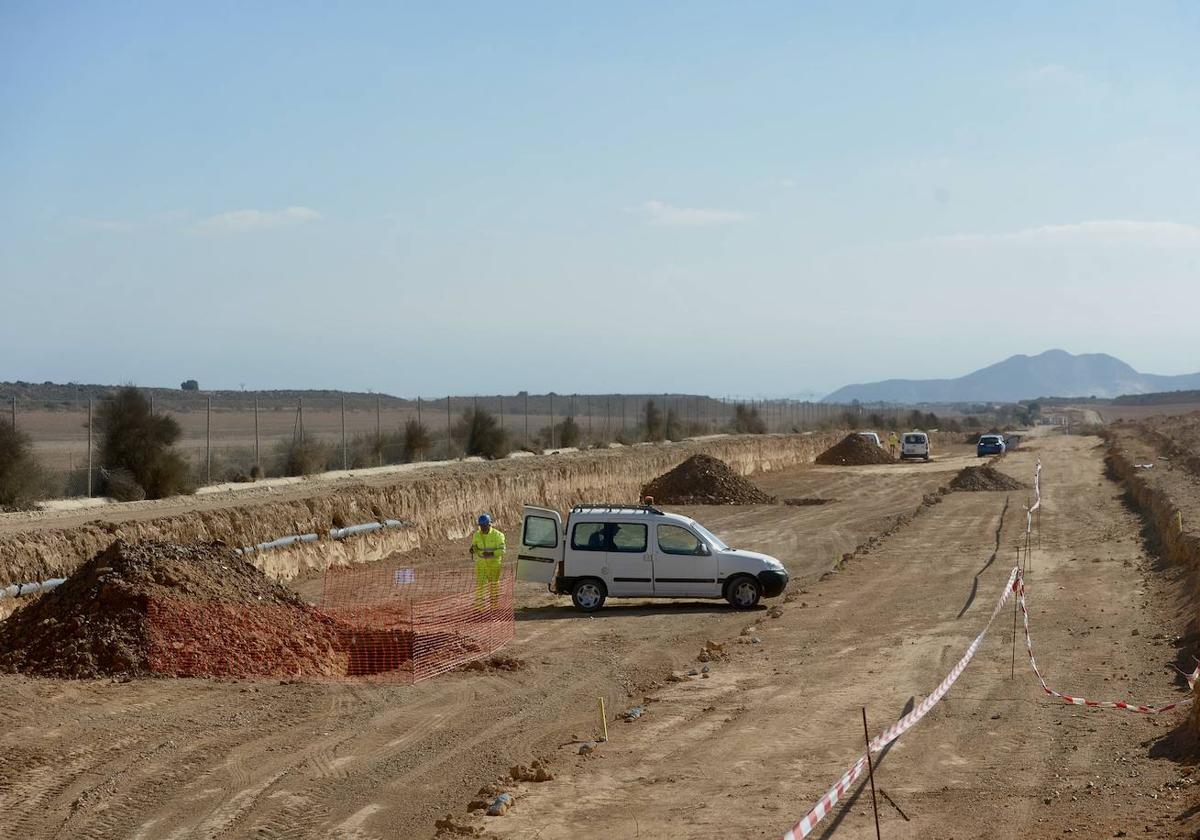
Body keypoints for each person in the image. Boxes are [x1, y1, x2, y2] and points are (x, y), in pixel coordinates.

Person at [470, 513, 506, 612]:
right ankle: (479, 609)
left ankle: (494, 608)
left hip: (494, 565)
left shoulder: (498, 535)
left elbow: (502, 550)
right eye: (481, 526)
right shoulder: (476, 535)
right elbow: (475, 546)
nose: (483, 528)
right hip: (481, 565)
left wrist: (491, 554)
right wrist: (473, 549)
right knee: (480, 586)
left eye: (485, 525)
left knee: (493, 586)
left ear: (490, 524)